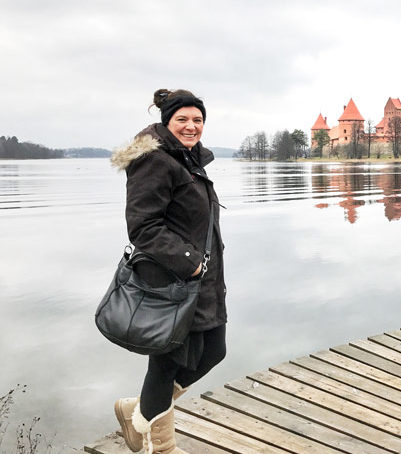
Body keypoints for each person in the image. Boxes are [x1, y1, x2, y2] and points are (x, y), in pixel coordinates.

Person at [109, 89, 227, 454]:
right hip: (171, 283)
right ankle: (160, 446)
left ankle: (140, 412)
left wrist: (200, 266)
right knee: (167, 362)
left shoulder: (187, 160)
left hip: (201, 281)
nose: (192, 126)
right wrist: (189, 260)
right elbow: (143, 226)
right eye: (183, 120)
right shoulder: (155, 161)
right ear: (167, 122)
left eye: (198, 120)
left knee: (213, 351)